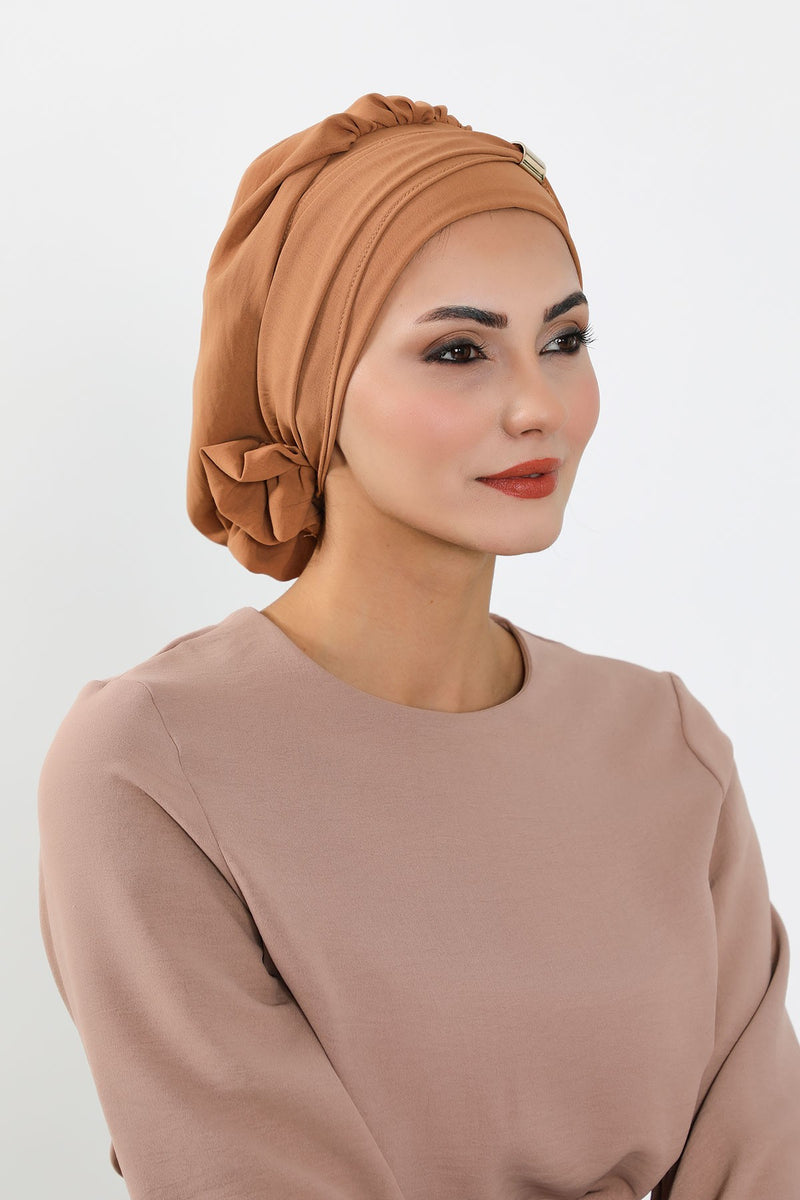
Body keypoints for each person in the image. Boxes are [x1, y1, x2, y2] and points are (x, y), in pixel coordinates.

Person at [37, 93, 800, 1199]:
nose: (538, 406)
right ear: (311, 387)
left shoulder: (663, 743)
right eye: (457, 350)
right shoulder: (151, 763)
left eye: (563, 341)